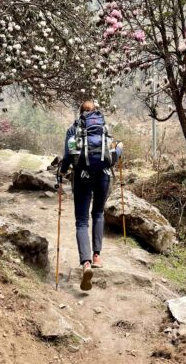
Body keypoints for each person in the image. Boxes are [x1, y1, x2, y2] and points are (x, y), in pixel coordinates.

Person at [60, 100, 123, 291]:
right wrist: (120, 148)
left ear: (80, 113)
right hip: (103, 177)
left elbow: (68, 157)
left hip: (82, 177)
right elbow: (113, 153)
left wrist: (62, 173)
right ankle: (97, 257)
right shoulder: (104, 127)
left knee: (81, 221)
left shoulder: (72, 131)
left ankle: (86, 263)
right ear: (94, 113)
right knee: (98, 214)